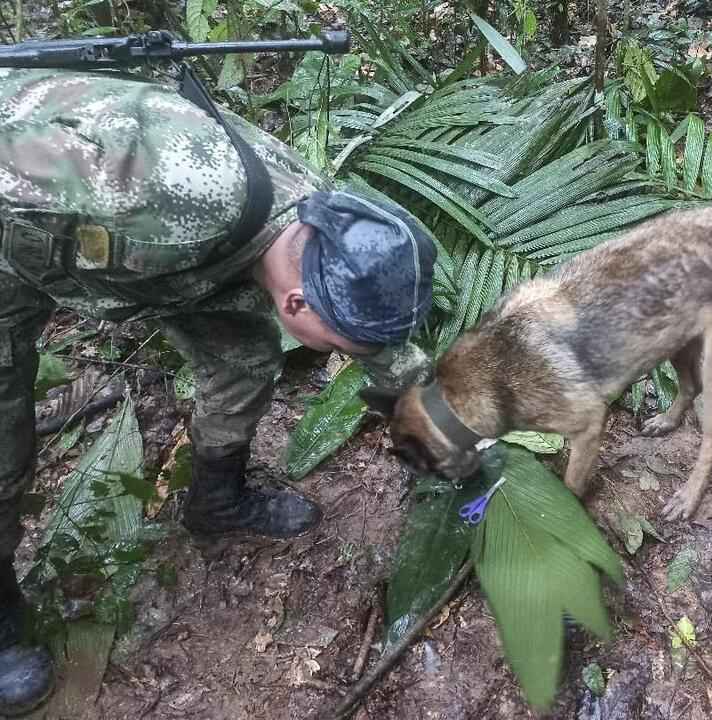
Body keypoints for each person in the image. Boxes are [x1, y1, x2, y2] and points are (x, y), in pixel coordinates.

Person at [0, 66, 436, 715]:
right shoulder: (159, 195)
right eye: (340, 346)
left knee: (244, 357)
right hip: (17, 248)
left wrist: (447, 429)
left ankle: (217, 499)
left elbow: (379, 338)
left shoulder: (322, 226)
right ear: (298, 301)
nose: (345, 356)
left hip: (162, 269)